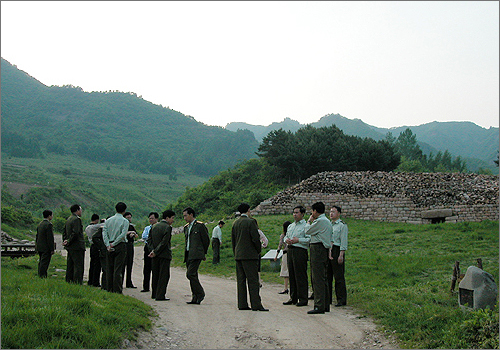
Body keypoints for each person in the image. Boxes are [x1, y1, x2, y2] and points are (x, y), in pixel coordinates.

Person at [231, 203, 268, 311]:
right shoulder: (251, 222)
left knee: (241, 281)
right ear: (248, 210)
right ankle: (256, 304)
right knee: (253, 281)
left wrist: (236, 253)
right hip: (250, 255)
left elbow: (234, 241)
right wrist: (258, 250)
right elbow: (255, 239)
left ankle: (242, 304)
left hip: (238, 255)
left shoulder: (235, 223)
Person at [305, 201, 333, 314]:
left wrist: (309, 221)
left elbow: (307, 231)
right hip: (323, 249)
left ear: (315, 211)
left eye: (312, 211)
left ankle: (319, 305)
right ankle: (325, 304)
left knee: (317, 278)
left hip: (318, 249)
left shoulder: (320, 221)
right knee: (323, 277)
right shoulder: (326, 221)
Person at [284, 205, 310, 307]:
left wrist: (298, 240)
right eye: (294, 212)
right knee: (292, 274)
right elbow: (286, 235)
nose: (295, 214)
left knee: (300, 275)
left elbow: (309, 239)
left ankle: (303, 298)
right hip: (290, 250)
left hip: (300, 250)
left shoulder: (306, 226)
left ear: (302, 214)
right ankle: (293, 297)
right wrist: (287, 240)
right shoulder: (291, 226)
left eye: (297, 212)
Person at [183, 207, 210, 304]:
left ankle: (200, 293)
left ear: (191, 215)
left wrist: (203, 253)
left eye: (186, 215)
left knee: (190, 274)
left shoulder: (200, 226)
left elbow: (206, 240)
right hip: (188, 254)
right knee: (193, 275)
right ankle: (195, 297)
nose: (185, 218)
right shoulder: (186, 227)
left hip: (197, 254)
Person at [148, 210, 175, 301]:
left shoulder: (154, 226)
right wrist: (156, 251)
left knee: (155, 274)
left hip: (154, 255)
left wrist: (152, 251)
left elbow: (149, 240)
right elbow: (164, 242)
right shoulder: (167, 227)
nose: (173, 220)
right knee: (163, 275)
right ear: (167, 218)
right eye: (172, 218)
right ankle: (160, 295)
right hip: (164, 255)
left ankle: (154, 293)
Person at [102, 202, 129, 293]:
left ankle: (109, 288)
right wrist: (114, 243)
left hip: (109, 244)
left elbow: (104, 233)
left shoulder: (108, 220)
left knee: (109, 268)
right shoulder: (125, 221)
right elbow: (123, 235)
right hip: (120, 245)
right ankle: (117, 289)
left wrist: (107, 244)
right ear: (124, 210)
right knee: (118, 269)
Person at [327, 205, 348, 307]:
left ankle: (341, 299)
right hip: (329, 249)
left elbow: (343, 241)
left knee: (339, 277)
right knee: (328, 276)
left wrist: (341, 255)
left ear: (339, 213)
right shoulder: (329, 225)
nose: (331, 214)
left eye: (333, 212)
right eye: (330, 212)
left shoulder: (342, 226)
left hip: (337, 249)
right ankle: (328, 298)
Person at [63, 204, 85, 284]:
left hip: (70, 247)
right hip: (77, 246)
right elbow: (76, 232)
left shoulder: (69, 219)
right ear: (77, 210)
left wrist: (66, 241)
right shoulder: (76, 219)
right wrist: (69, 241)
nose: (81, 212)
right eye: (80, 210)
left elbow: (64, 231)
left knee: (70, 265)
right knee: (78, 265)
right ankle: (77, 282)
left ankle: (69, 280)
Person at [141, 212, 159, 292]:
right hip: (147, 247)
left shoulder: (158, 227)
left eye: (152, 218)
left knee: (155, 268)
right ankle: (146, 287)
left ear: (156, 219)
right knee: (147, 268)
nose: (151, 220)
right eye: (150, 218)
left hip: (155, 248)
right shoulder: (147, 228)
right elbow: (144, 236)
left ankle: (155, 288)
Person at [85, 214, 104, 287]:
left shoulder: (87, 228)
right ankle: (95, 281)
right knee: (97, 265)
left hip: (92, 246)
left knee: (92, 264)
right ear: (97, 220)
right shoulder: (95, 227)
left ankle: (90, 281)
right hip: (96, 246)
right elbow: (103, 225)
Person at [35, 209, 55, 278]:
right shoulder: (48, 225)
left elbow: (37, 236)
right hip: (46, 247)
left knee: (41, 262)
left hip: (40, 246)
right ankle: (43, 276)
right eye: (51, 215)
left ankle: (40, 274)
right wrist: (52, 248)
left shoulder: (40, 224)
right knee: (44, 263)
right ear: (49, 216)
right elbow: (50, 238)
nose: (52, 217)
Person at [274, 221, 291, 294]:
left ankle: (286, 288)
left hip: (286, 254)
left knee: (285, 271)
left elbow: (280, 246)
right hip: (292, 253)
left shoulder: (283, 236)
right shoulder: (292, 235)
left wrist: (276, 255)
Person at [124, 212, 138, 288]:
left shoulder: (131, 226)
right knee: (123, 264)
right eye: (127, 218)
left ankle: (129, 282)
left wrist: (134, 234)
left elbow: (137, 235)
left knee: (130, 264)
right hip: (124, 245)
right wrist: (128, 233)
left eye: (130, 217)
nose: (129, 219)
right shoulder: (122, 226)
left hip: (130, 245)